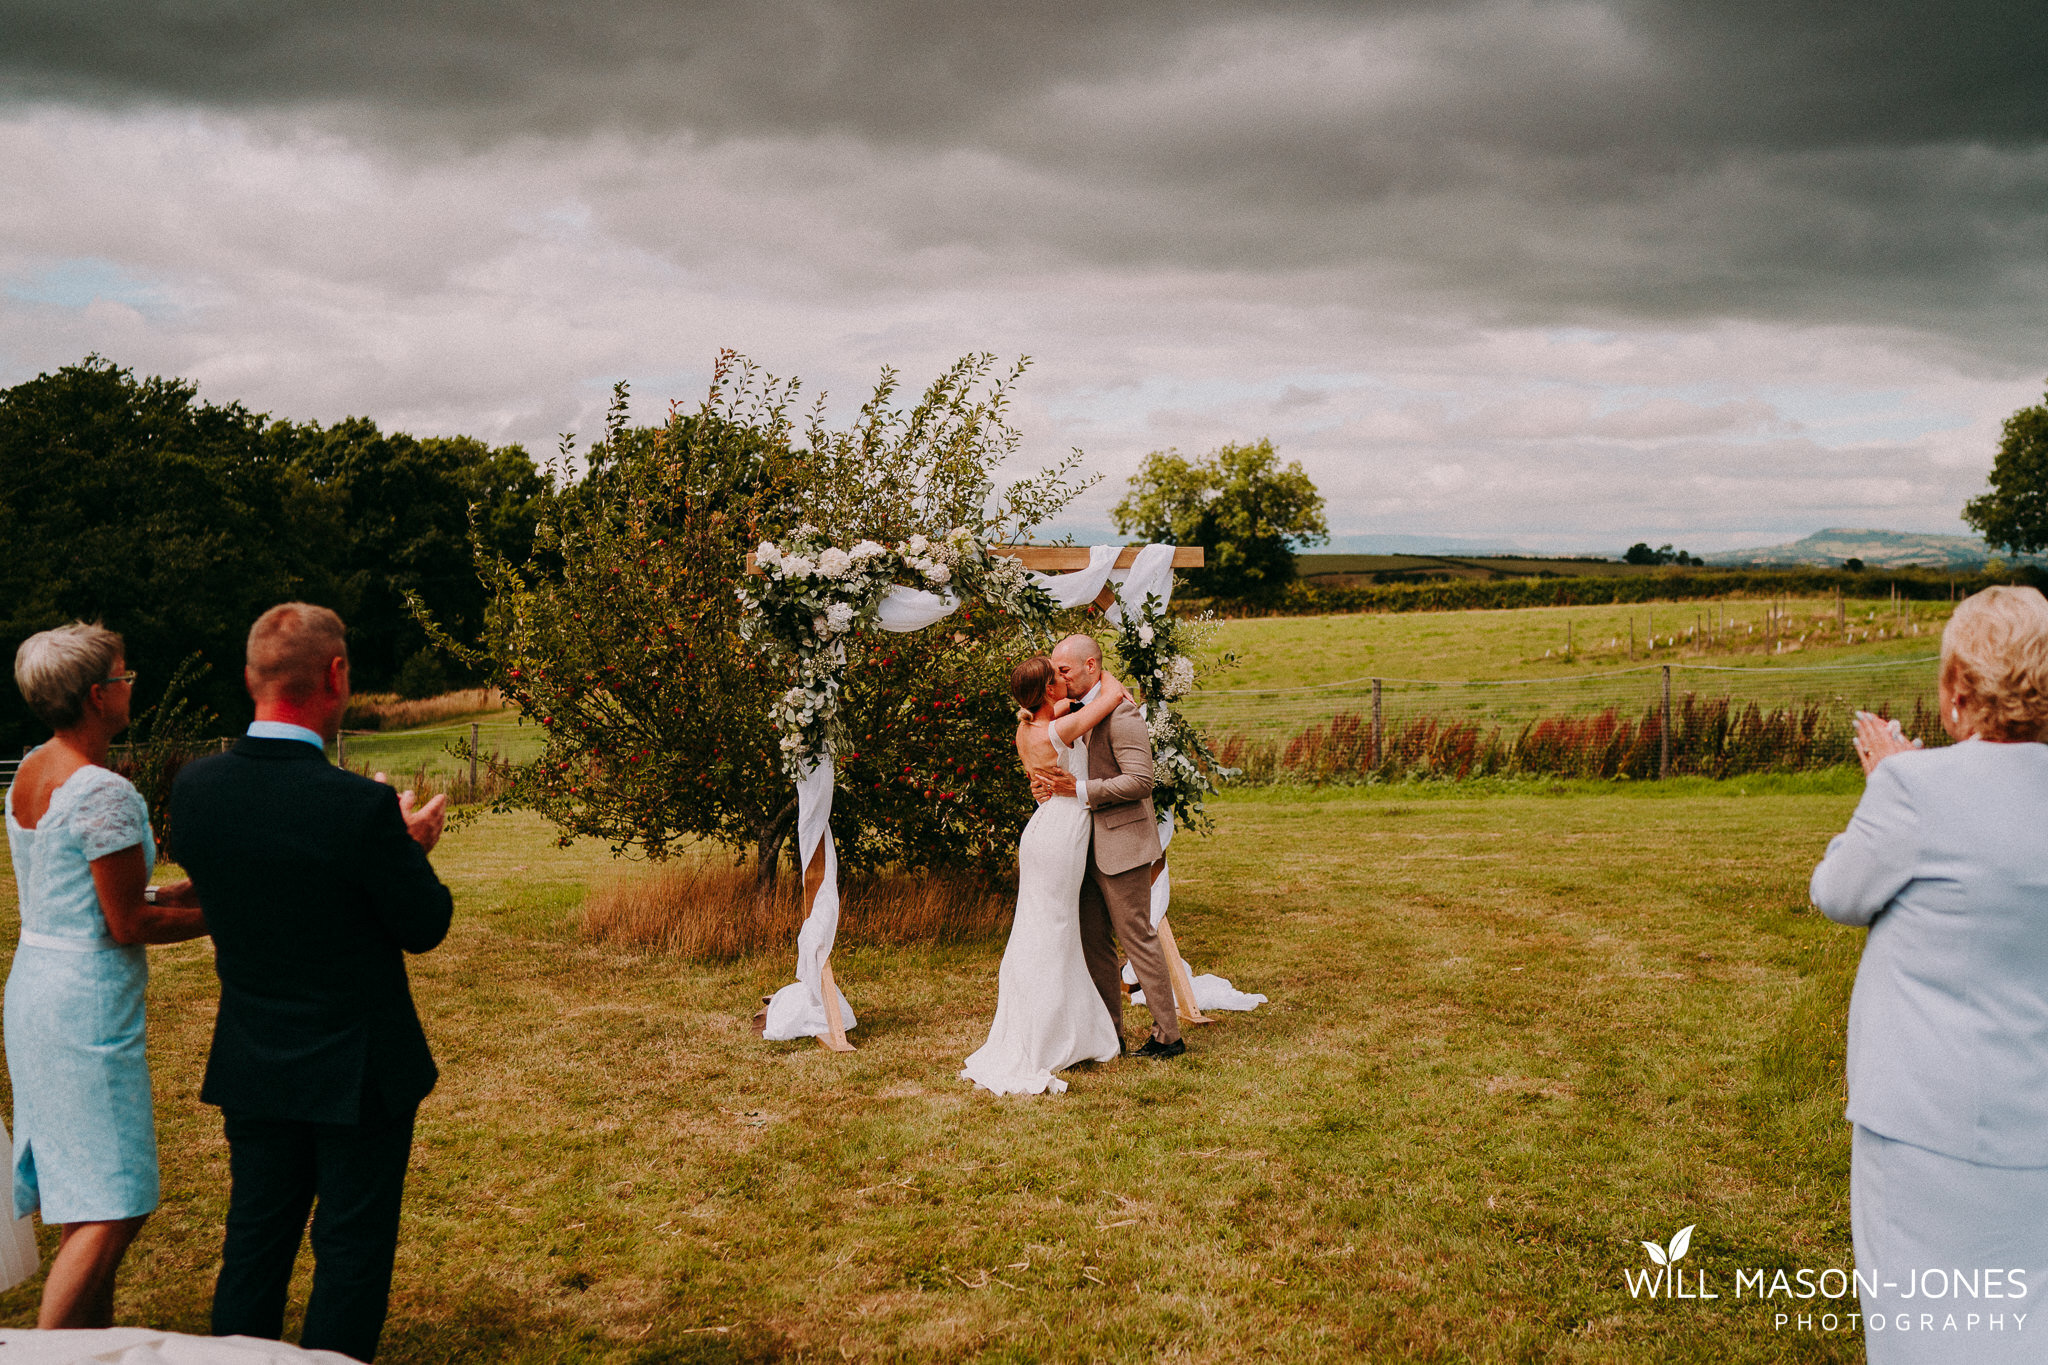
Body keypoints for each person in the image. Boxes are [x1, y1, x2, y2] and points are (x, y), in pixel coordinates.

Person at [169, 603, 451, 1363]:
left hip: (253, 1058)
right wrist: (406, 846)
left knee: (253, 1247)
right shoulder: (358, 807)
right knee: (351, 1253)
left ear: (254, 678)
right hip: (359, 1070)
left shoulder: (194, 791)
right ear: (336, 675)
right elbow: (424, 925)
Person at [1811, 586, 2048, 1364]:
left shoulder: (1914, 790)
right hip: (2035, 1117)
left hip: (1917, 1121)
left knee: (1922, 1324)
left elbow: (1837, 892)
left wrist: (1890, 780)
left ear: (1956, 691)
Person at [4, 622, 208, 1325]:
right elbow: (128, 924)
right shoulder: (103, 791)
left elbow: (81, 891)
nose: (130, 687)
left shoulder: (33, 767)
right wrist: (230, 917)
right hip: (83, 1006)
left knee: (81, 1194)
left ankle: (90, 1347)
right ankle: (50, 1352)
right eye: (125, 676)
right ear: (98, 695)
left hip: (34, 986)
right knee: (118, 1199)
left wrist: (176, 893)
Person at [960, 658, 1128, 1095]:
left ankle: (1066, 1026)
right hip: (1063, 831)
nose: (1065, 678)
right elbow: (1110, 694)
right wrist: (1096, 668)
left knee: (1043, 928)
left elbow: (1042, 774)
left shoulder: (1026, 727)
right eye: (1059, 676)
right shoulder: (1058, 729)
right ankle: (1050, 1034)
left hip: (1042, 827)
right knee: (1054, 930)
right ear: (1050, 691)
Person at [1031, 633, 1183, 1059]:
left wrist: (1078, 789)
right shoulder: (1065, 711)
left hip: (1122, 844)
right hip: (1076, 848)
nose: (1058, 679)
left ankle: (1168, 1036)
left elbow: (1140, 781)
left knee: (1137, 938)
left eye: (1065, 671)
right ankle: (1107, 1033)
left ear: (1092, 667)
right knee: (1093, 943)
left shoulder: (1123, 714)